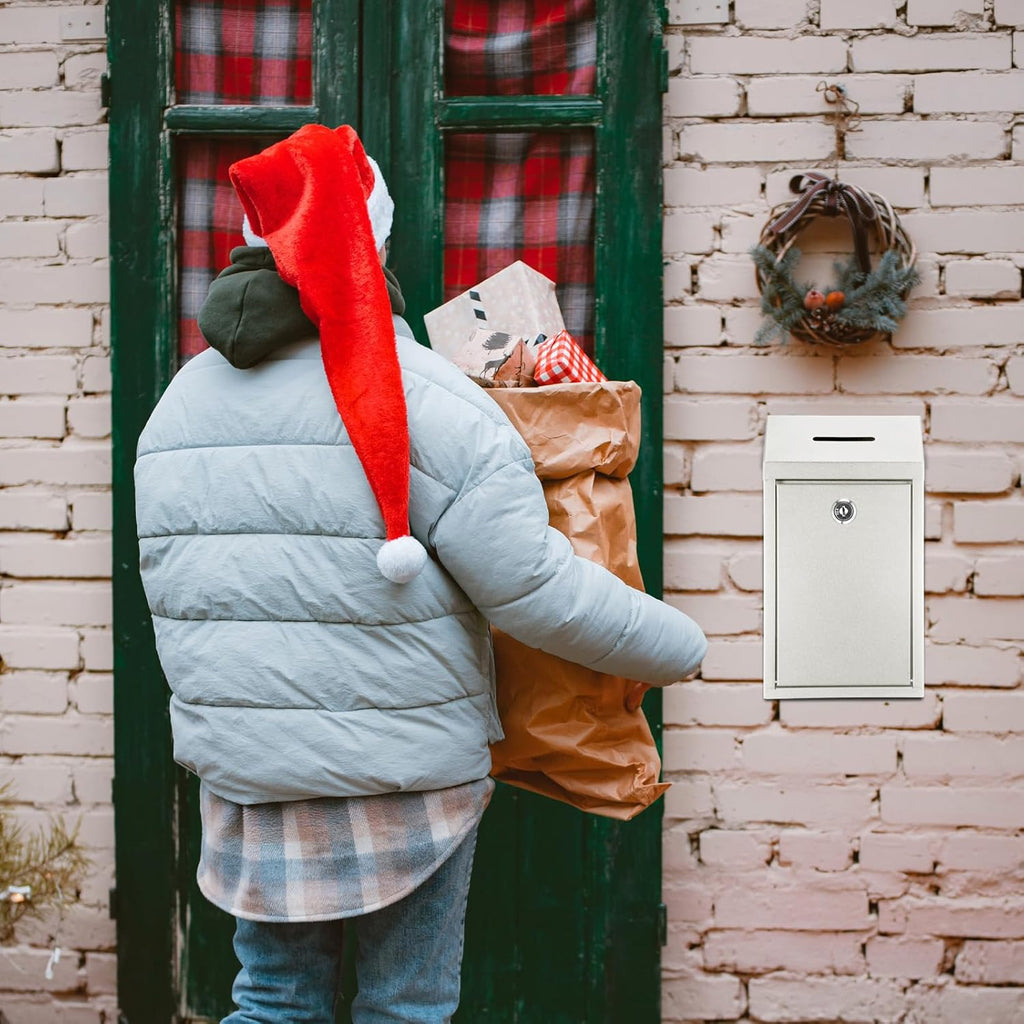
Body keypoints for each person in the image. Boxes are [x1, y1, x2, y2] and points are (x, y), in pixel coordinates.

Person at [135, 124, 707, 1024]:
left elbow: (174, 591)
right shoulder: (431, 400)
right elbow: (537, 592)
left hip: (252, 777)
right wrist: (680, 645)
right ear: (375, 238)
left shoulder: (178, 404)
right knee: (406, 1007)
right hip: (402, 781)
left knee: (273, 1000)